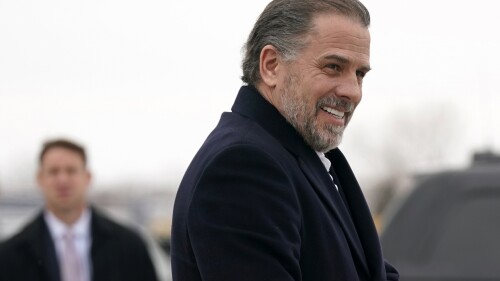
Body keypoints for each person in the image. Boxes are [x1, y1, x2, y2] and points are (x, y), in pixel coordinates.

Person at [171, 0, 399, 280]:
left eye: (359, 74)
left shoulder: (300, 158)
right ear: (271, 66)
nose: (352, 91)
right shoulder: (243, 167)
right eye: (333, 66)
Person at [0, 139, 158, 281]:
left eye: (71, 170)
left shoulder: (129, 246)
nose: (62, 180)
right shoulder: (10, 255)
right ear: (40, 179)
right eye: (53, 172)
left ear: (87, 177)